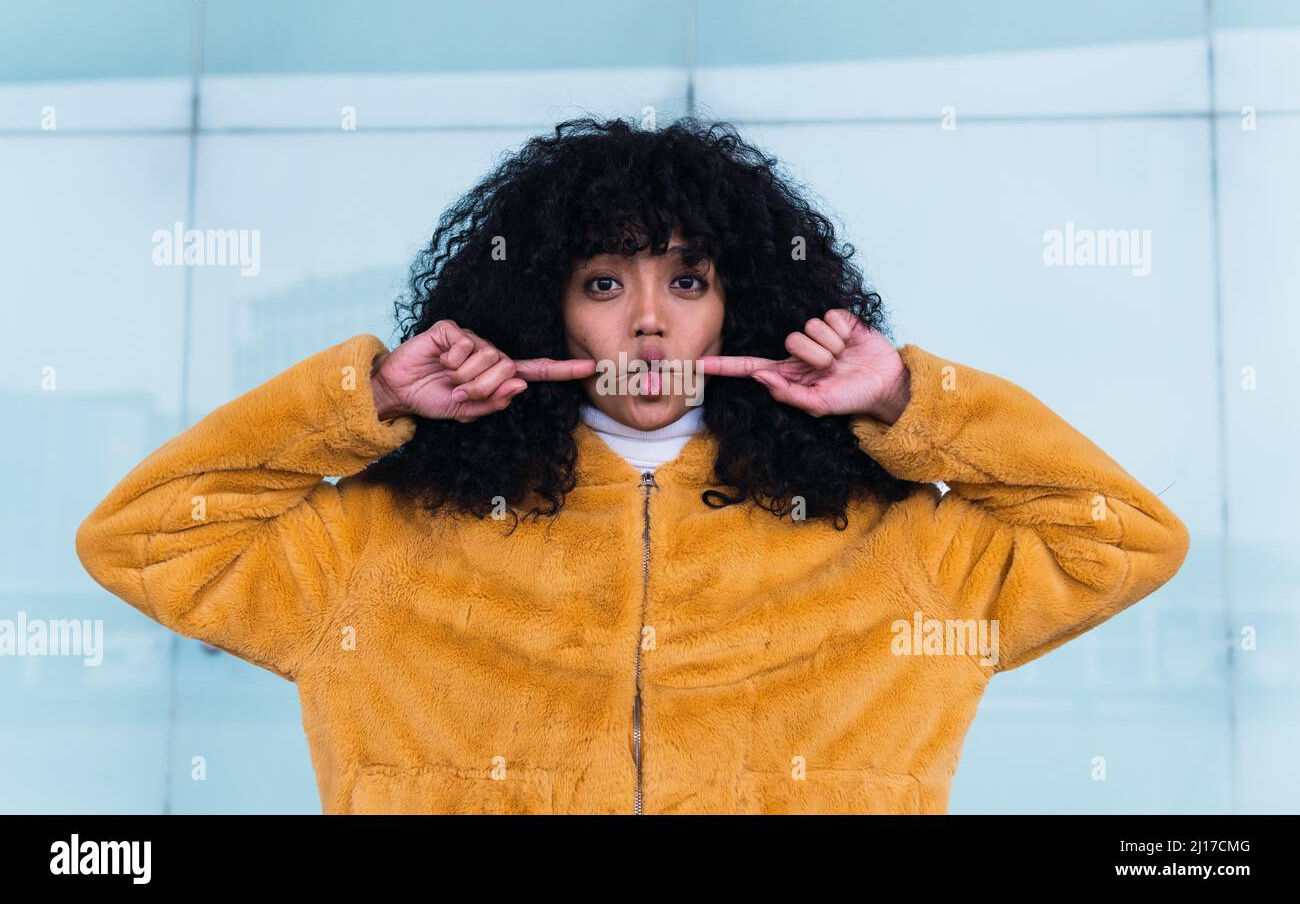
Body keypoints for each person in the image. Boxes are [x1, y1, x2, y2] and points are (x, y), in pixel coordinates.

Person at [75, 116, 1190, 814]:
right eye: (605, 283)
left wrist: (909, 399)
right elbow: (146, 533)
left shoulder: (889, 540)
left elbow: (1122, 536)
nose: (648, 324)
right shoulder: (382, 535)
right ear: (544, 307)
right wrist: (363, 400)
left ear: (743, 305)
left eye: (689, 282)